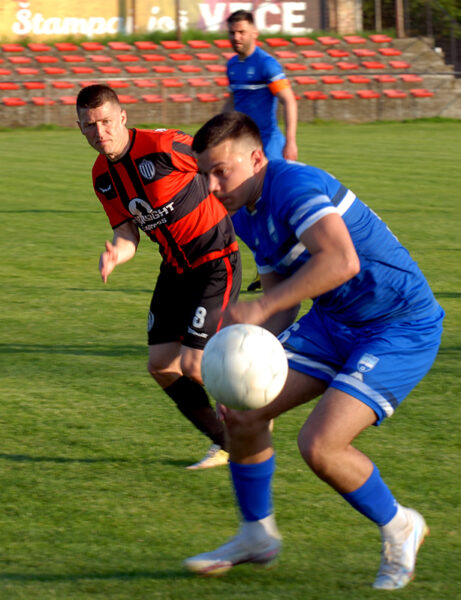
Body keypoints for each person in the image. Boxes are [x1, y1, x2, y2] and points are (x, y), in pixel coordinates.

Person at [184, 111, 444, 589]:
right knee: (241, 413)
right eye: (205, 174)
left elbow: (340, 261)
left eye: (221, 171)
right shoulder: (245, 212)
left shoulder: (292, 185)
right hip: (334, 321)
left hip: (398, 326)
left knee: (321, 445)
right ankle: (256, 535)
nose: (213, 185)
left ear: (257, 158)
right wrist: (235, 344)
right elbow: (285, 300)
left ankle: (401, 526)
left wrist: (259, 308)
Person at [76, 84, 242, 470]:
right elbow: (127, 232)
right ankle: (226, 441)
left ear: (122, 117)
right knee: (162, 365)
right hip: (176, 269)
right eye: (89, 126)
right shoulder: (102, 176)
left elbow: (221, 163)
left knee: (196, 365)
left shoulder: (163, 146)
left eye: (105, 122)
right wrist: (118, 253)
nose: (100, 133)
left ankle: (250, 423)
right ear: (80, 128)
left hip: (216, 260)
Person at [225, 9, 299, 292]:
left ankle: (289, 263)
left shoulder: (267, 64)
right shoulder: (232, 66)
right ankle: (266, 265)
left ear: (255, 33)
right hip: (242, 147)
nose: (237, 37)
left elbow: (289, 101)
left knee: (270, 207)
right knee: (239, 211)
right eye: (232, 32)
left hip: (268, 146)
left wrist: (290, 141)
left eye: (242, 32)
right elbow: (234, 102)